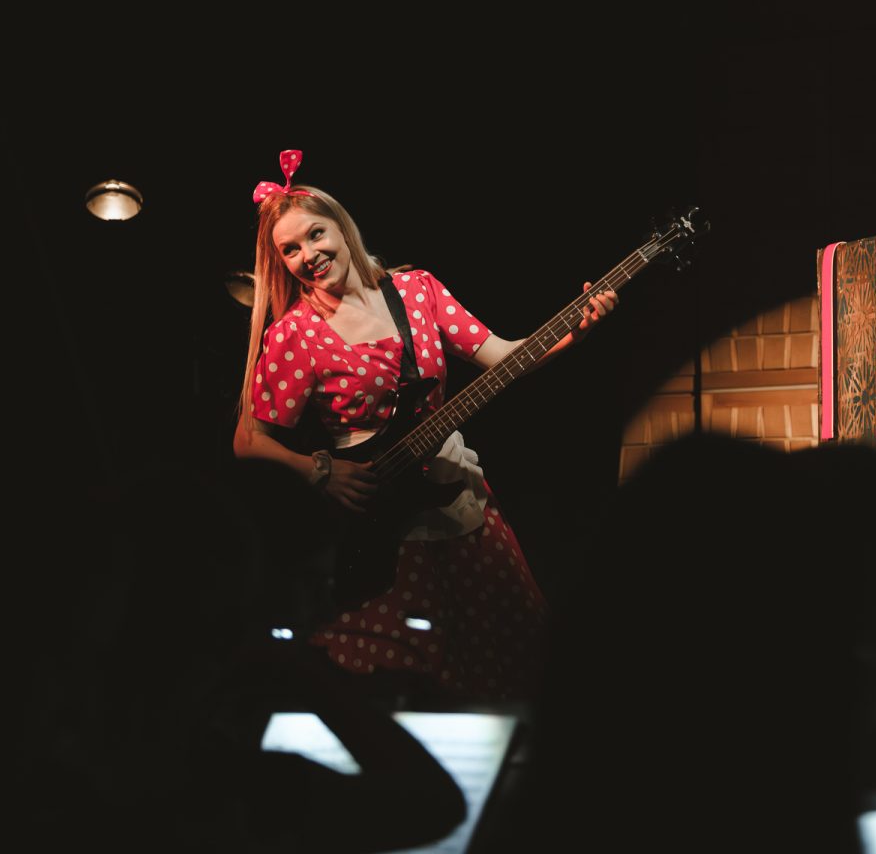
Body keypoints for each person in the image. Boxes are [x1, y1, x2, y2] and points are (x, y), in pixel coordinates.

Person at [233, 149, 615, 700]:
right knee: (394, 681)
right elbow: (249, 441)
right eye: (290, 250)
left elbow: (503, 356)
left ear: (341, 227)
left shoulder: (418, 292)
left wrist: (575, 331)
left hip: (455, 498)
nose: (308, 255)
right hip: (377, 529)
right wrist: (322, 471)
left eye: (315, 235)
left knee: (510, 658)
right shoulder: (294, 334)